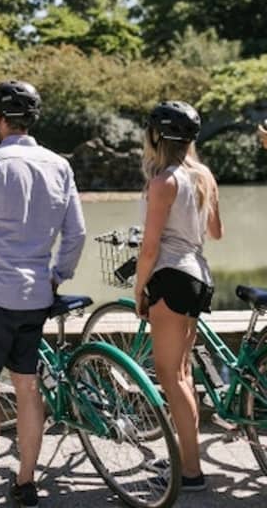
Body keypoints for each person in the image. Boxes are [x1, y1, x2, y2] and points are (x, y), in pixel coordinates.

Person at [0, 80, 86, 508]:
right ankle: (25, 484)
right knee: (28, 387)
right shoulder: (59, 165)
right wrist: (57, 276)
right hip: (36, 296)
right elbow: (76, 233)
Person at [134, 101, 222, 493]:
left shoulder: (163, 182)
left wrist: (140, 288)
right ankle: (187, 461)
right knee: (183, 375)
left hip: (170, 277)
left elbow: (150, 248)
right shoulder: (204, 176)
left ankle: (190, 473)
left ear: (156, 137)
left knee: (171, 377)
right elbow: (215, 232)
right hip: (199, 277)